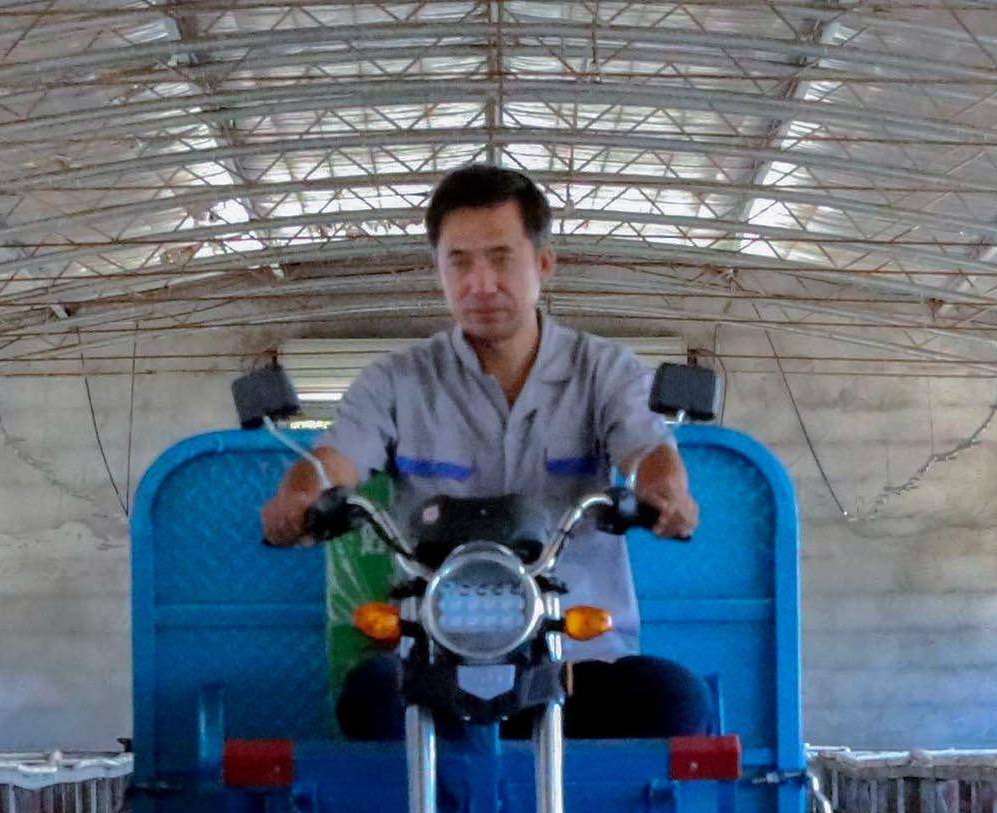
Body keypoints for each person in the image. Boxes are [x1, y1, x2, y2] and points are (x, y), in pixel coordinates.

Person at [259, 162, 710, 738]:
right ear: (438, 271)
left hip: (574, 656)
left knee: (671, 702)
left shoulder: (602, 370)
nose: (480, 283)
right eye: (460, 262)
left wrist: (664, 494)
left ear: (542, 263)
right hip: (436, 661)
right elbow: (335, 459)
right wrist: (298, 499)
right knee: (371, 700)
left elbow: (647, 449)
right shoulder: (396, 381)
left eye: (500, 258)